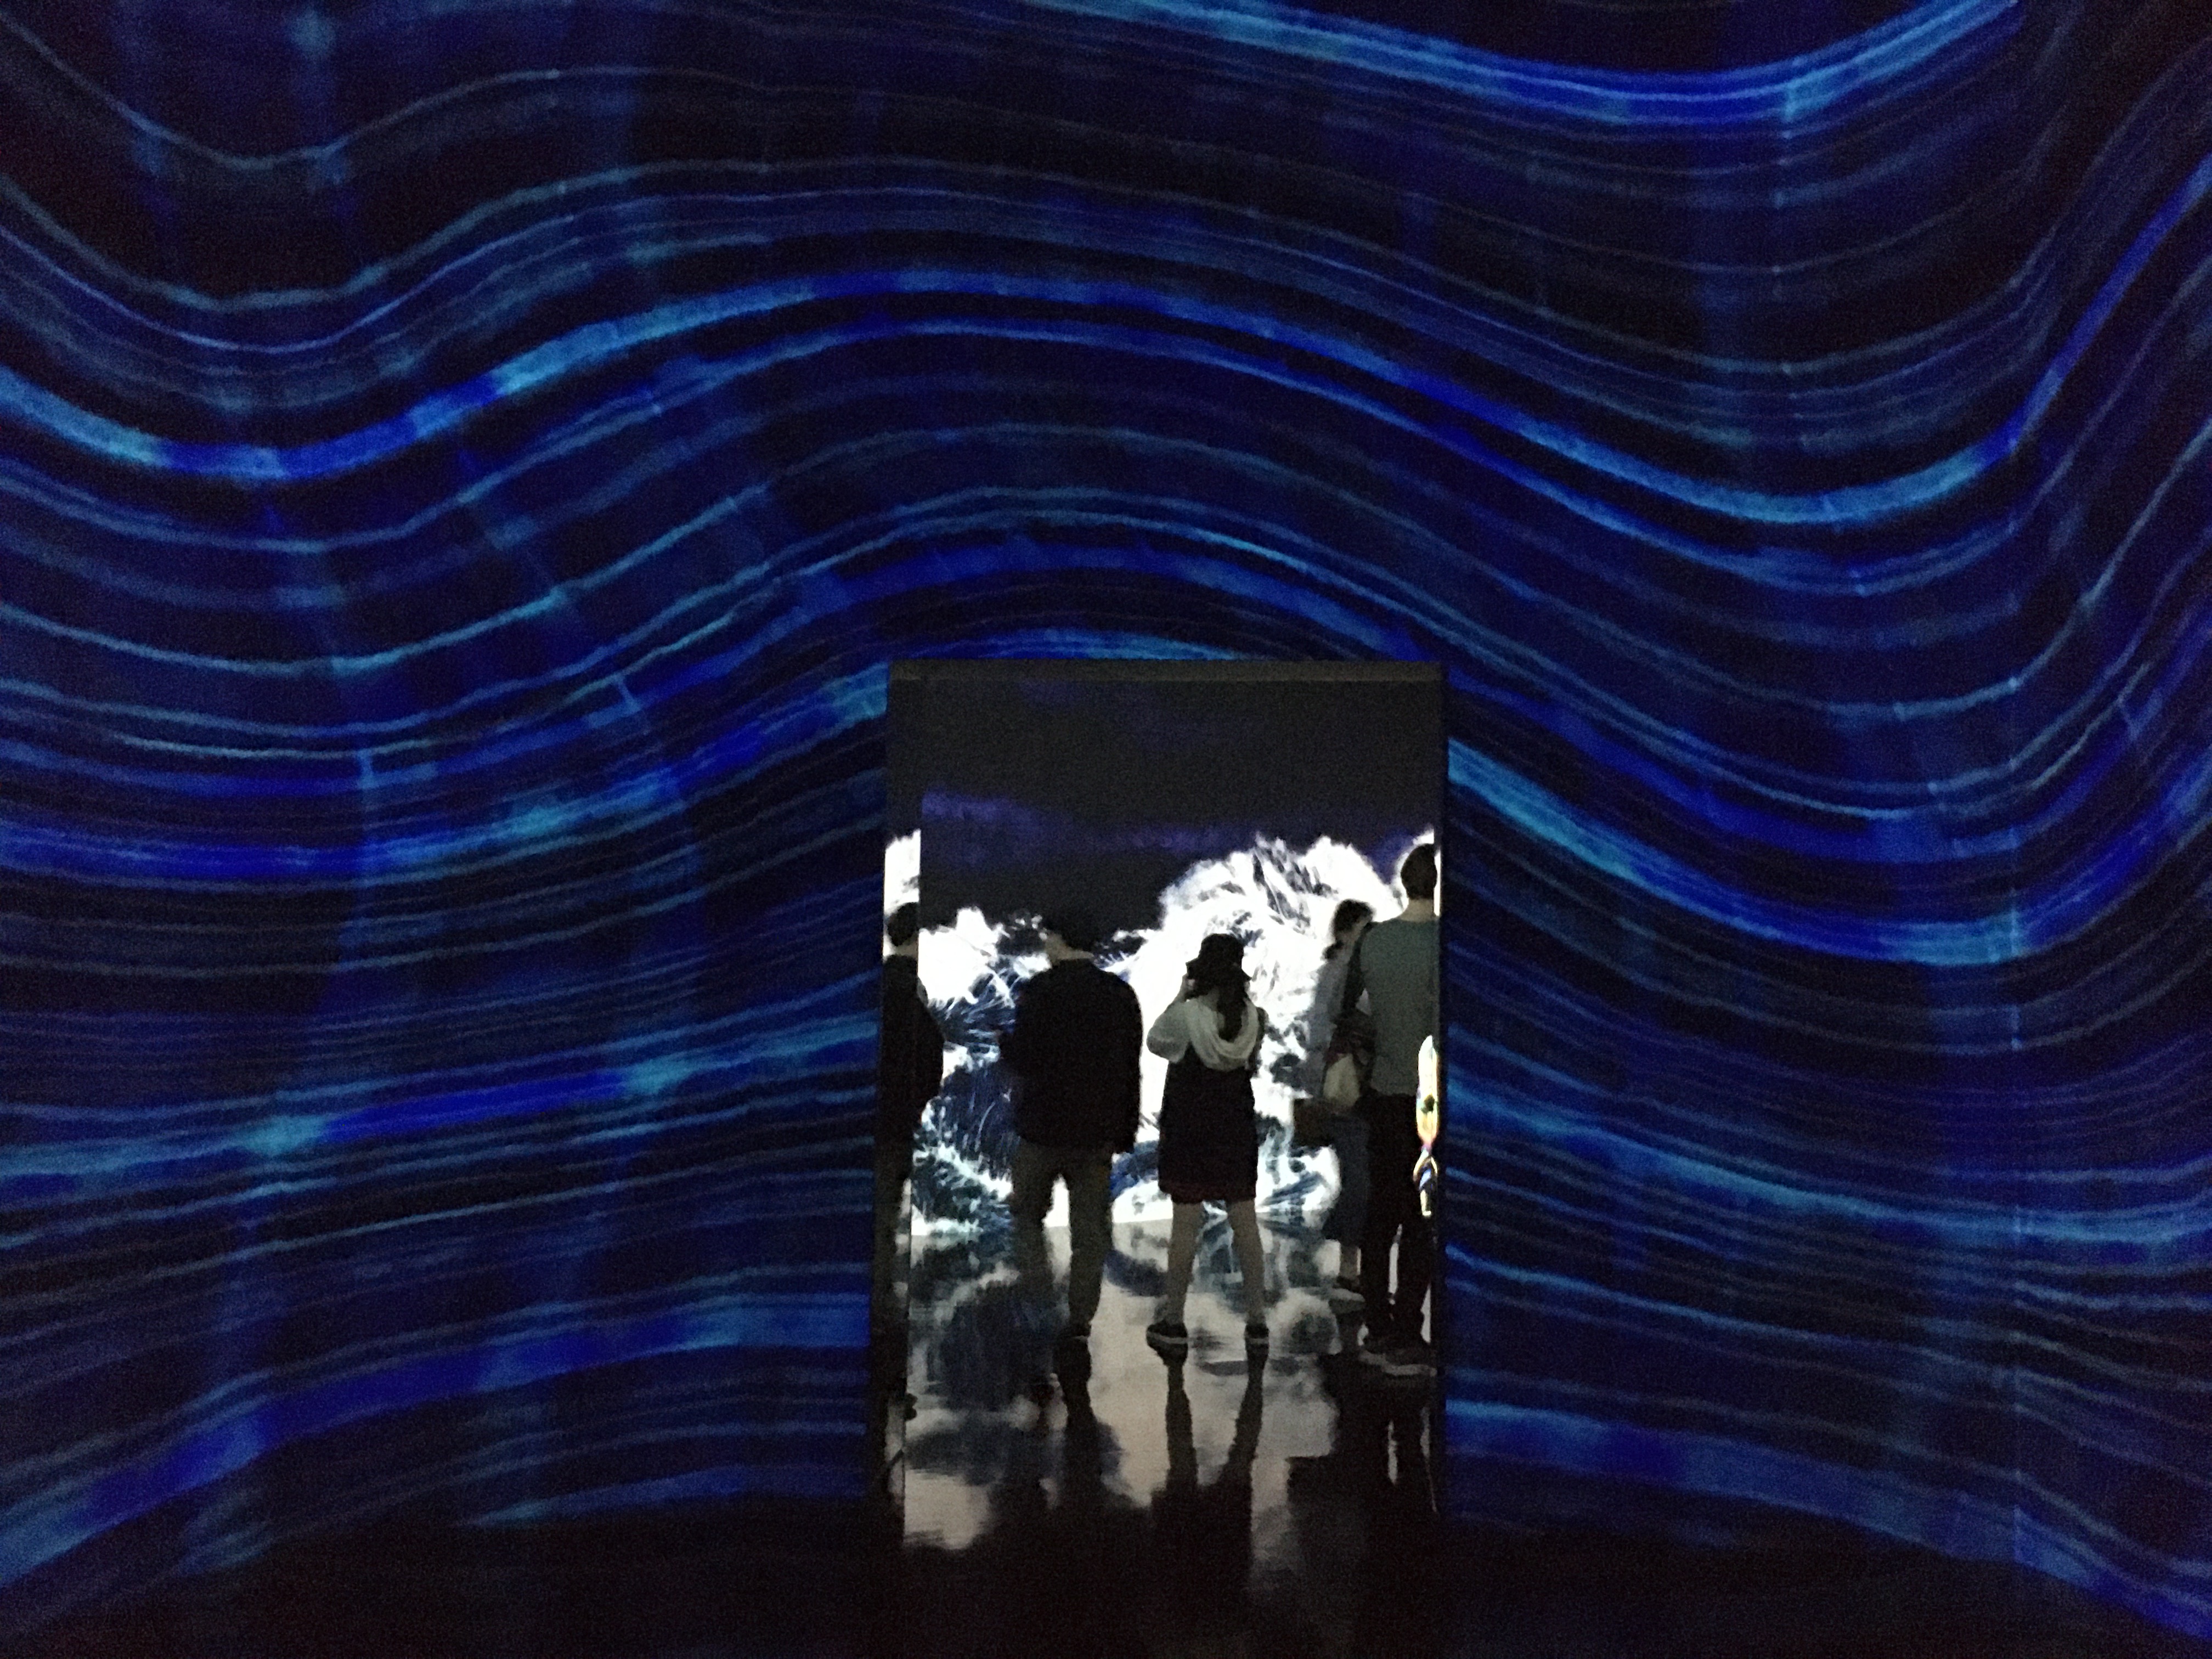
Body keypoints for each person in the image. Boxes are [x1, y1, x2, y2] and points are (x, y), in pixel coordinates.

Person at [998, 905, 1144, 1364]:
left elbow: (1025, 1060)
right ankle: (1080, 1321)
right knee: (1090, 1234)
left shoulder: (1039, 991)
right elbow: (1130, 1070)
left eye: (1048, 936)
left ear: (1059, 939)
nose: (1044, 943)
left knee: (1026, 1216)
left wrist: (1005, 1045)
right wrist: (1124, 1130)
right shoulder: (1119, 994)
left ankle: (1040, 1299)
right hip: (1095, 1135)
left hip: (1041, 1130)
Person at [1145, 933, 1271, 1362]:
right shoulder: (1253, 1018)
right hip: (1235, 1127)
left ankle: (1173, 1322)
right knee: (1245, 1221)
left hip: (1190, 1128)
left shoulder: (1187, 1017)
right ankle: (1257, 1322)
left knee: (1185, 1225)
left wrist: (1181, 995)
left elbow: (1156, 1041)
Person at [1340, 844, 1440, 1377]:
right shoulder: (1442, 943)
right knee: (1421, 1219)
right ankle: (1407, 1332)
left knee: (1380, 1214)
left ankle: (1377, 1327)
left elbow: (1352, 1015)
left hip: (1382, 1093)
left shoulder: (1375, 940)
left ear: (1404, 882)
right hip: (1429, 1102)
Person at [871, 902, 943, 1482]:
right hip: (893, 1128)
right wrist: (914, 1104)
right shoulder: (911, 995)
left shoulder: (876, 986)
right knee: (880, 1232)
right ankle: (878, 1341)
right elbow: (930, 1064)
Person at [1299, 898, 1374, 1311]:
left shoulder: (1340, 971)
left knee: (1360, 1178)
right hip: (1349, 1092)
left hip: (1351, 1089)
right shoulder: (1341, 973)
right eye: (1362, 928)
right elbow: (1322, 1035)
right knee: (1360, 1179)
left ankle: (1353, 1270)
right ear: (1345, 933)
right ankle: (1349, 1271)